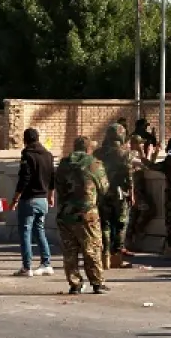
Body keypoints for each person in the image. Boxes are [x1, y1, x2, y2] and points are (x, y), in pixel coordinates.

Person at [53, 136, 110, 295]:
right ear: (88, 149)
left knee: (69, 251)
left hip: (65, 213)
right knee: (92, 249)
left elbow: (57, 185)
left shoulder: (63, 165)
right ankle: (97, 283)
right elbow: (104, 188)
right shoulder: (94, 164)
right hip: (87, 214)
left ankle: (75, 284)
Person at [11, 128, 56, 278]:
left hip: (29, 199)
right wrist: (51, 195)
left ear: (25, 140)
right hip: (43, 199)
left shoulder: (27, 155)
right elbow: (52, 177)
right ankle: (46, 263)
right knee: (39, 230)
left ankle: (27, 266)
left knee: (25, 231)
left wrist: (15, 198)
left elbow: (25, 178)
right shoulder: (48, 155)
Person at [93, 124, 134, 269]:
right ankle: (116, 256)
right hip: (120, 193)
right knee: (121, 224)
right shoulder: (125, 153)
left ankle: (105, 256)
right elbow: (129, 175)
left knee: (105, 224)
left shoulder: (98, 153)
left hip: (102, 193)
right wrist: (132, 193)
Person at [124, 134, 157, 252]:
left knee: (133, 215)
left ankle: (129, 239)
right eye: (140, 143)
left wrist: (151, 153)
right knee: (148, 209)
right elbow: (144, 165)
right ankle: (138, 230)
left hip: (138, 190)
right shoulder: (131, 155)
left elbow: (148, 164)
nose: (142, 145)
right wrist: (148, 153)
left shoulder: (138, 153)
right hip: (135, 191)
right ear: (134, 144)